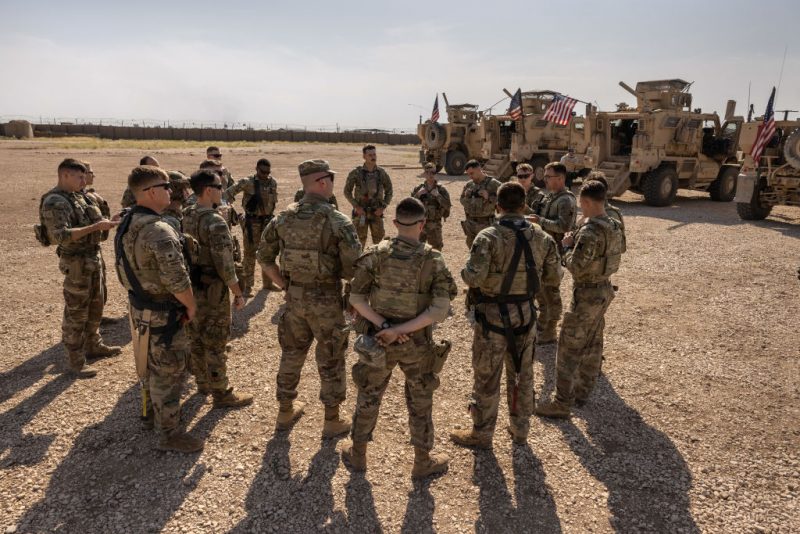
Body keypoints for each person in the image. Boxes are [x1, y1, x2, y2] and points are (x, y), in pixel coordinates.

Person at [341, 197, 457, 478]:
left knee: (369, 394)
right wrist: (402, 330)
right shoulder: (433, 260)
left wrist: (385, 326)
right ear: (423, 224)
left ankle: (358, 455)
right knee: (420, 398)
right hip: (416, 344)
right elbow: (440, 310)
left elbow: (356, 298)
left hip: (378, 340)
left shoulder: (376, 254)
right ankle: (422, 461)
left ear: (394, 223)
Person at [450, 182, 560, 448]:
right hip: (525, 314)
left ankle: (482, 434)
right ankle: (520, 430)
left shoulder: (487, 237)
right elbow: (554, 277)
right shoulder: (542, 237)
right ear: (524, 206)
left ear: (497, 206)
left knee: (487, 376)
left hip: (493, 318)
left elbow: (473, 277)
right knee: (522, 373)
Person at [258, 159, 362, 436]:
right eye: (330, 178)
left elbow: (264, 258)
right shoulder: (337, 220)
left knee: (291, 353)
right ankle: (331, 420)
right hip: (327, 300)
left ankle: (285, 411)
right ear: (322, 182)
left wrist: (285, 285)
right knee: (330, 358)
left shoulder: (283, 217)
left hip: (295, 299)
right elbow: (355, 269)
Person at [114, 165, 202, 452]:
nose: (170, 192)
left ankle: (153, 414)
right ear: (151, 192)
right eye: (166, 187)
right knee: (169, 373)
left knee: (151, 367)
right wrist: (190, 306)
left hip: (141, 307)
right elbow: (177, 280)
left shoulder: (128, 221)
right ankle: (169, 434)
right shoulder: (158, 230)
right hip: (163, 312)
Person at [535, 180, 625, 418]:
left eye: (581, 204)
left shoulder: (590, 231)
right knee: (594, 342)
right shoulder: (614, 225)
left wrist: (566, 247)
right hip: (604, 289)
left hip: (586, 294)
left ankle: (561, 403)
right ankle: (583, 392)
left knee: (567, 348)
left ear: (585, 202)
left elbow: (575, 266)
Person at [36, 158, 121, 378]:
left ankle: (93, 345)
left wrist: (109, 222)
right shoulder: (55, 201)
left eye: (85, 176)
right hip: (76, 264)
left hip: (92, 258)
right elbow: (60, 236)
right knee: (76, 312)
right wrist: (95, 226)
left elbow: (92, 227)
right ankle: (75, 362)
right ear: (65, 175)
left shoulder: (79, 197)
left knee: (96, 305)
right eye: (80, 177)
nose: (85, 180)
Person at [182, 170, 253, 408]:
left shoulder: (186, 214)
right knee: (216, 342)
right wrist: (238, 293)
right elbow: (225, 265)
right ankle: (221, 392)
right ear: (209, 190)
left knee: (196, 337)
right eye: (220, 188)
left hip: (192, 287)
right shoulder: (214, 222)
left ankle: (203, 382)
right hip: (214, 290)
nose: (223, 192)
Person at [528, 162, 576, 343]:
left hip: (554, 252)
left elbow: (564, 226)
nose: (545, 179)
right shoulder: (550, 197)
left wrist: (539, 220)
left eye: (549, 176)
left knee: (552, 292)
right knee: (540, 289)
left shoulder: (566, 200)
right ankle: (542, 323)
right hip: (542, 250)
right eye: (545, 176)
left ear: (561, 178)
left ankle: (550, 331)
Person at [224, 158, 279, 295]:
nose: (265, 174)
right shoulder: (247, 182)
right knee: (249, 254)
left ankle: (268, 283)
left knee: (267, 252)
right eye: (262, 171)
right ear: (256, 169)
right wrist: (226, 208)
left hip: (267, 222)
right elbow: (229, 193)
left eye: (268, 172)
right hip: (252, 222)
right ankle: (247, 286)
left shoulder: (273, 182)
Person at [344, 145, 394, 246]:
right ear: (364, 156)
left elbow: (389, 191)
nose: (373, 157)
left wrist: (383, 207)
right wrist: (356, 207)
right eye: (370, 155)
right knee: (358, 243)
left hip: (376, 212)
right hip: (361, 213)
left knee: (379, 243)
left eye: (374, 154)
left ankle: (377, 262)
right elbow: (347, 191)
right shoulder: (356, 172)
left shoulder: (381, 173)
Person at [459, 160, 501, 247]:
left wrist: (489, 197)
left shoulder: (494, 184)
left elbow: (505, 201)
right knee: (472, 250)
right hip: (471, 226)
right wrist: (467, 197)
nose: (470, 176)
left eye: (472, 173)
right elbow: (461, 200)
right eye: (468, 174)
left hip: (486, 225)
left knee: (486, 251)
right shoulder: (469, 185)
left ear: (479, 169)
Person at [411, 162, 451, 250]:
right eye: (427, 172)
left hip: (435, 225)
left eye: (433, 172)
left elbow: (447, 205)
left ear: (436, 174)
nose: (430, 175)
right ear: (424, 174)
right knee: (417, 251)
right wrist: (418, 195)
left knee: (436, 252)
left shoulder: (441, 190)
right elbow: (410, 205)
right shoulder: (418, 189)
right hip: (420, 224)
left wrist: (438, 196)